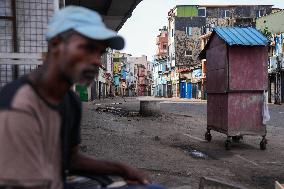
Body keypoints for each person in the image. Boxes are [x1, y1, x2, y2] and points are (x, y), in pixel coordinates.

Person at [0, 6, 165, 189]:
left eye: (99, 53)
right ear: (56, 44)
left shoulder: (70, 101)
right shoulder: (18, 107)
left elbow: (70, 159)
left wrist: (120, 169)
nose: (96, 60)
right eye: (87, 48)